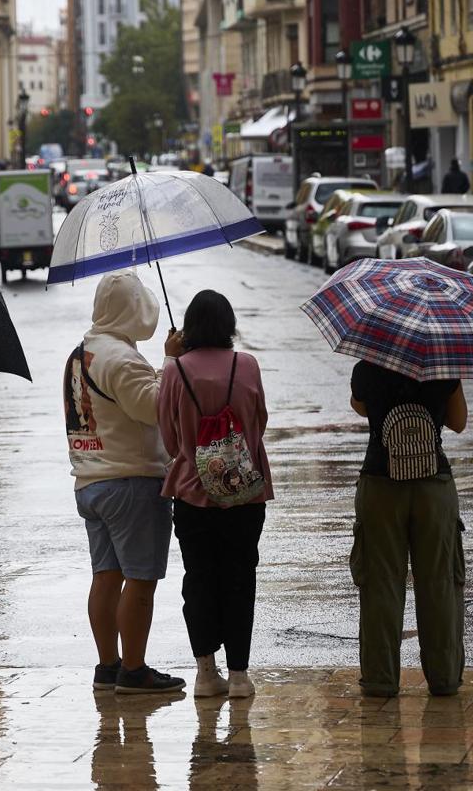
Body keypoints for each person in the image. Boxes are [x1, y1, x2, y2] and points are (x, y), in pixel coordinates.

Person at [65, 270, 186, 695]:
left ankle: (108, 665)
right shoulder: (121, 358)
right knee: (140, 579)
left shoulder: (82, 353)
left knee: (106, 576)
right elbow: (155, 408)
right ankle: (134, 671)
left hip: (91, 481)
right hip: (130, 481)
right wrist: (171, 362)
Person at [158, 290, 272, 699]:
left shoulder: (175, 371)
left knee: (200, 579)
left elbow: (170, 442)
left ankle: (206, 673)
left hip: (191, 494)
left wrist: (172, 358)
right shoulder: (248, 365)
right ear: (228, 325)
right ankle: (239, 675)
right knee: (240, 578)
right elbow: (259, 425)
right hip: (245, 493)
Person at [348, 361, 468, 698]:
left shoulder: (367, 368)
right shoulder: (444, 367)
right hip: (434, 486)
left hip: (380, 484)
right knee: (440, 582)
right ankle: (444, 678)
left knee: (380, 584)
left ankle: (380, 680)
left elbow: (360, 408)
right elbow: (458, 422)